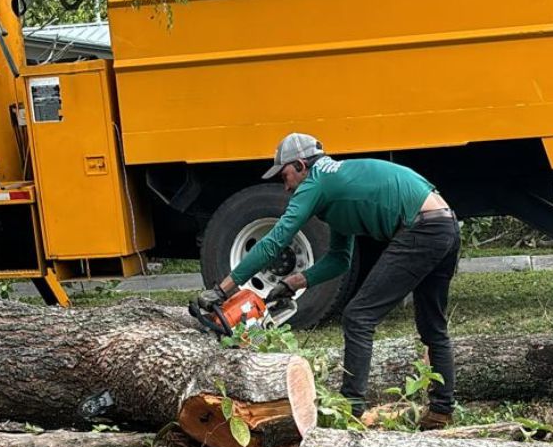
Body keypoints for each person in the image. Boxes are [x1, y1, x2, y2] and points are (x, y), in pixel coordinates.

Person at [195, 133, 461, 428]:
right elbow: (339, 259)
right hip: (445, 224)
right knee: (432, 324)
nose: (285, 186)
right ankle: (441, 410)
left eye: (285, 175)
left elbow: (275, 241)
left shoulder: (316, 181)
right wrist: (295, 282)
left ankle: (351, 411)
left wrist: (223, 288)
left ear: (300, 165)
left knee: (358, 317)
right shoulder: (337, 186)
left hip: (421, 230)